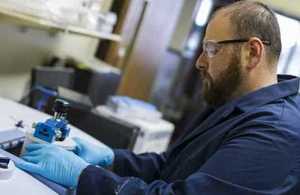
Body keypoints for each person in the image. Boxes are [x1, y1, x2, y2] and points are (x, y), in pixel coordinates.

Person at [16, 1, 300, 194]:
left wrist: (84, 175)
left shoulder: (275, 132)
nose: (200, 62)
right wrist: (110, 159)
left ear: (252, 52)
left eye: (212, 50)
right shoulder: (235, 105)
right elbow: (169, 166)